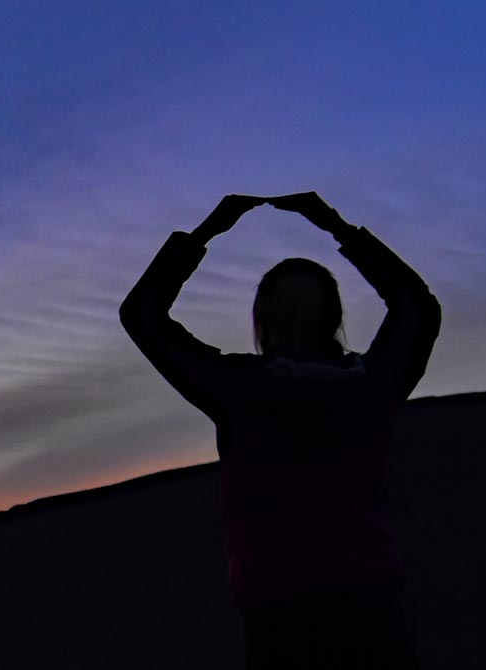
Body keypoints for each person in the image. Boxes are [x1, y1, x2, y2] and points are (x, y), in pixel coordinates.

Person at [119, 192, 440, 669]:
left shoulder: (262, 387)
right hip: (294, 601)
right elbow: (415, 309)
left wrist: (334, 225)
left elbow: (416, 308)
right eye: (280, 292)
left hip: (336, 594)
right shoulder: (249, 387)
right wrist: (331, 226)